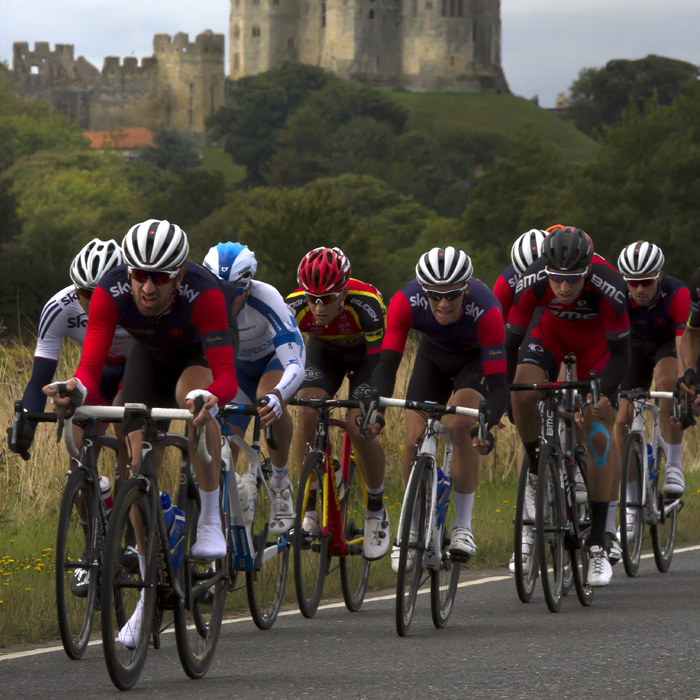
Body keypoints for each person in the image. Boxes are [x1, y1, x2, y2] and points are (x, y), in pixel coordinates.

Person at [44, 219, 237, 648]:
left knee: (194, 396)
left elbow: (225, 375)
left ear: (179, 276)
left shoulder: (204, 294)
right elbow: (90, 370)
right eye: (139, 275)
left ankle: (208, 517)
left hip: (199, 356)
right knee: (136, 464)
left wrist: (212, 397)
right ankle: (146, 596)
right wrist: (75, 391)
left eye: (160, 278)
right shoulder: (110, 291)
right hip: (150, 358)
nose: (147, 288)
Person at [367, 246, 508, 566]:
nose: (443, 303)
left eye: (452, 295)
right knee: (413, 441)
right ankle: (411, 527)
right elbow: (387, 365)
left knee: (459, 426)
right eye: (434, 296)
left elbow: (500, 385)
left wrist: (488, 422)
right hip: (433, 359)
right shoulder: (405, 301)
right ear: (423, 291)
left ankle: (462, 526)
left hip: (474, 361)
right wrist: (376, 410)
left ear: (466, 289)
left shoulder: (486, 310)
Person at [508, 227, 630, 587]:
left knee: (597, 428)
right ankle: (535, 468)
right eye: (557, 279)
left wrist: (602, 394)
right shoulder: (531, 282)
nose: (563, 288)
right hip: (550, 335)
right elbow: (510, 342)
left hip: (598, 345)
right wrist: (499, 396)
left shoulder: (611, 287)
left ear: (587, 271)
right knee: (520, 393)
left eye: (573, 279)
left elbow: (622, 355)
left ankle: (597, 545)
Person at [286, 247, 390, 560]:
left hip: (365, 360)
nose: (318, 307)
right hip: (324, 354)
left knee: (360, 427)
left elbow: (381, 365)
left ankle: (375, 506)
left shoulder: (367, 303)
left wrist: (377, 410)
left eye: (327, 298)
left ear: (343, 292)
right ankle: (312, 505)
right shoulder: (292, 306)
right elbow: (281, 354)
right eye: (312, 298)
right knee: (307, 409)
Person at [203, 241, 305, 535]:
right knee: (224, 445)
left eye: (232, 294)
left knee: (266, 399)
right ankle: (225, 518)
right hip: (236, 368)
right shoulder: (201, 300)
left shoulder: (266, 297)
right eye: (217, 292)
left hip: (276, 360)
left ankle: (280, 483)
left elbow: (294, 364)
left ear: (246, 288)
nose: (223, 302)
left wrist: (278, 395)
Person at [8, 239, 131, 461]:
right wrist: (27, 425)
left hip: (136, 369)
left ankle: (136, 492)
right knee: (77, 449)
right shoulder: (59, 308)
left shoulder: (138, 301)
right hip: (98, 373)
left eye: (105, 293)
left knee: (128, 435)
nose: (96, 302)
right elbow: (39, 381)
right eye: (86, 293)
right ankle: (96, 493)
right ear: (75, 288)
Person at [615, 242, 689, 508]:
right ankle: (632, 504)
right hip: (634, 348)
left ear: (658, 275)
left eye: (646, 282)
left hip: (669, 344)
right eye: (632, 283)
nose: (639, 289)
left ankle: (673, 464)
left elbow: (684, 345)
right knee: (621, 420)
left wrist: (686, 381)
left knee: (669, 381)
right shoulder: (618, 297)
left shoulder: (677, 293)